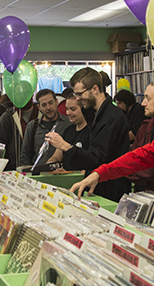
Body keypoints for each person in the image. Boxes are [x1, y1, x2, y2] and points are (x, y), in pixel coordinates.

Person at [48, 67, 130, 202]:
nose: (78, 99)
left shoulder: (112, 117)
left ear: (95, 89)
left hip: (110, 189)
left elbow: (96, 157)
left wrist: (66, 147)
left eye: (80, 94)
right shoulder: (94, 113)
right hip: (98, 185)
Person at [21, 89, 71, 167]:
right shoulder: (33, 126)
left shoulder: (68, 123)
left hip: (63, 173)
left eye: (51, 103)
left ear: (56, 102)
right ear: (39, 107)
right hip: (38, 173)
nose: (48, 107)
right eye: (44, 105)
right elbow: (25, 155)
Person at [47, 95, 91, 170]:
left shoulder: (92, 132)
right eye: (67, 109)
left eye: (73, 109)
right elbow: (56, 157)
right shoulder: (68, 131)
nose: (68, 113)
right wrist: (51, 166)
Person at [0, 96, 39, 170]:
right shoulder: (8, 116)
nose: (23, 97)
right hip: (13, 169)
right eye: (19, 94)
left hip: (39, 168)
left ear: (31, 94)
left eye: (25, 93)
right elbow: (1, 144)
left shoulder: (41, 114)